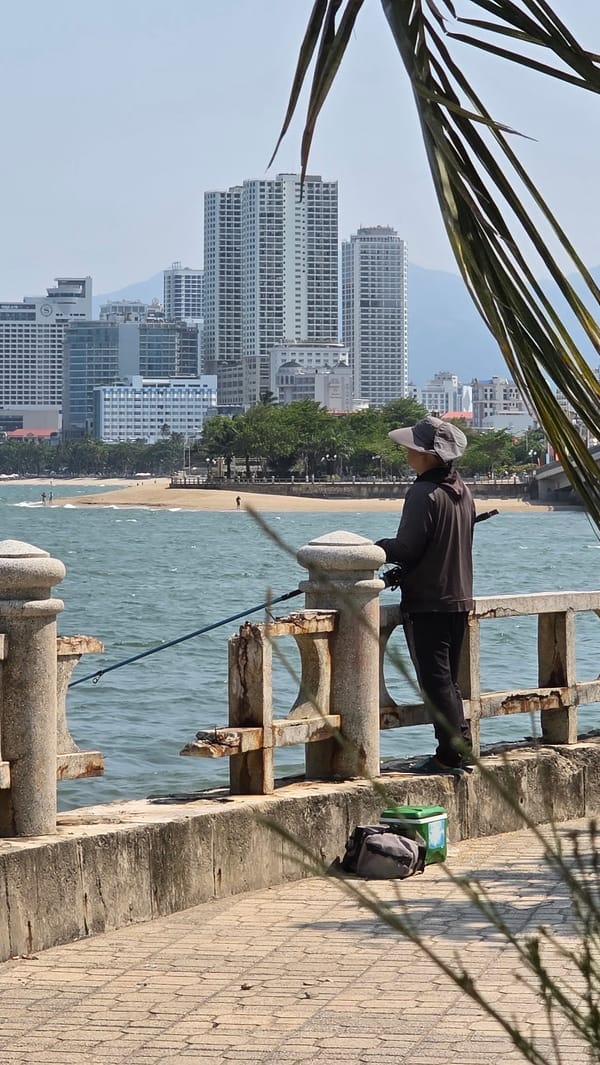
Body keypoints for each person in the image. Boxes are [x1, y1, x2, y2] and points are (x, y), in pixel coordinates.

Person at [375, 416, 475, 777]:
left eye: (412, 448)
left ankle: (449, 756)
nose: (407, 453)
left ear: (428, 455)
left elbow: (408, 548)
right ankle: (463, 748)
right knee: (448, 681)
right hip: (459, 597)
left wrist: (375, 547)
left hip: (429, 602)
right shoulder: (461, 490)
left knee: (436, 683)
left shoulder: (422, 493)